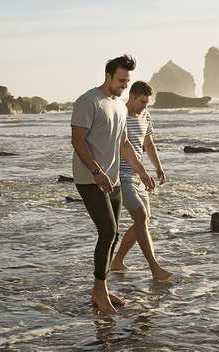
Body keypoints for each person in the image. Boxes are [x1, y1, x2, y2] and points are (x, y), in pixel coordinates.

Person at [71, 54, 156, 314]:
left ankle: (102, 288)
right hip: (90, 178)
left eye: (127, 81)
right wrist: (96, 171)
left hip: (114, 179)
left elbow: (124, 144)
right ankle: (99, 292)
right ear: (107, 76)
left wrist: (142, 172)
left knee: (114, 233)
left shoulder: (119, 105)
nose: (124, 86)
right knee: (107, 231)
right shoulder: (88, 101)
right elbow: (78, 140)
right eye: (121, 80)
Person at [109, 81, 174, 280]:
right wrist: (143, 171)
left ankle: (117, 261)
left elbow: (148, 142)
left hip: (138, 176)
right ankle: (155, 268)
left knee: (143, 220)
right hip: (120, 176)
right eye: (142, 101)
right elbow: (123, 146)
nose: (145, 105)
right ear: (131, 97)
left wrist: (158, 167)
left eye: (147, 102)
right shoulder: (119, 113)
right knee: (140, 216)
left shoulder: (145, 115)